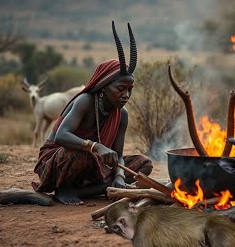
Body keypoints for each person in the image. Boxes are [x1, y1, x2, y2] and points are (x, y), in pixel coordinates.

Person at [31, 21, 153, 205]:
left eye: (130, 89)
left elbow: (118, 155)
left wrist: (119, 175)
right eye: (120, 88)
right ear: (103, 87)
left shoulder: (122, 114)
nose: (126, 95)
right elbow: (61, 136)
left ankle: (90, 190)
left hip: (95, 164)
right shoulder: (85, 101)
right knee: (81, 154)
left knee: (144, 164)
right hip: (59, 161)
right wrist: (96, 146)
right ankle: (65, 187)